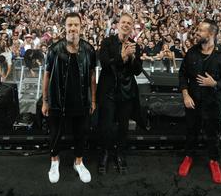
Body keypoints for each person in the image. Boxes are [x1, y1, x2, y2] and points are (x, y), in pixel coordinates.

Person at [177, 19, 221, 184]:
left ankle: (214, 161)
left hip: (213, 103)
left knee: (213, 134)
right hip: (193, 102)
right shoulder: (192, 52)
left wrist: (216, 84)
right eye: (197, 30)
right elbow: (182, 75)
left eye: (201, 31)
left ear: (211, 34)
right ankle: (189, 156)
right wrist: (185, 95)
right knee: (191, 131)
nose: (197, 33)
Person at [41, 12, 97, 184]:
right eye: (69, 25)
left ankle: (78, 162)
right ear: (64, 27)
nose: (73, 28)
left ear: (81, 27)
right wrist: (45, 101)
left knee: (81, 133)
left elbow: (92, 76)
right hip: (57, 101)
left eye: (76, 25)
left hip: (81, 100)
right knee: (55, 134)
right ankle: (54, 161)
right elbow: (47, 75)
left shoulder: (89, 49)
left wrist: (93, 99)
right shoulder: (54, 50)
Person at [96, 13, 145, 175]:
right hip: (108, 91)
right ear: (117, 25)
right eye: (123, 22)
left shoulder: (135, 46)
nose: (125, 25)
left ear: (132, 27)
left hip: (126, 92)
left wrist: (131, 57)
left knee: (123, 127)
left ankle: (120, 153)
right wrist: (122, 56)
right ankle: (104, 153)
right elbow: (104, 64)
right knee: (106, 126)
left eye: (129, 23)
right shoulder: (107, 42)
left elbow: (137, 71)